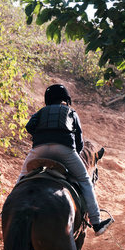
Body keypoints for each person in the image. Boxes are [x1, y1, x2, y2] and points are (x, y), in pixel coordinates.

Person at [17, 84, 114, 236]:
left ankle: (7, 211)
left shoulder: (41, 112)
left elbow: (29, 127)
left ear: (47, 100)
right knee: (84, 179)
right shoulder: (71, 112)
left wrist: (41, 134)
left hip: (39, 149)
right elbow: (79, 142)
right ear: (65, 99)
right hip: (64, 150)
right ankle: (96, 223)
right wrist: (73, 152)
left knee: (22, 176)